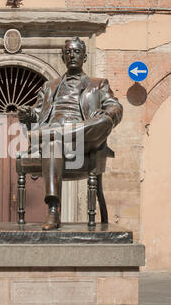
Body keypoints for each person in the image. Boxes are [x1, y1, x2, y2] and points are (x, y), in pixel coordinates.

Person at [17, 37, 123, 230]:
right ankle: (53, 211)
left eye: (76, 51)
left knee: (104, 121)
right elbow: (38, 112)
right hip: (53, 141)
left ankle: (58, 133)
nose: (72, 55)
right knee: (52, 143)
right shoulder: (49, 86)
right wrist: (28, 113)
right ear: (62, 56)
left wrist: (106, 113)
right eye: (68, 52)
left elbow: (115, 107)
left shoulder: (98, 84)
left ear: (84, 56)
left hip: (83, 140)